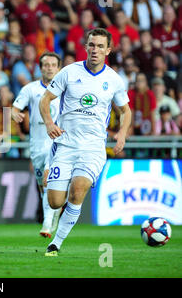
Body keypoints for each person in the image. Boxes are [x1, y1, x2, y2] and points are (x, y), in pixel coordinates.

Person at [39, 28, 131, 256]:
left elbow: (126, 111)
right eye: (91, 45)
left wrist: (122, 133)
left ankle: (55, 244)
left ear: (108, 50)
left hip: (93, 148)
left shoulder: (113, 80)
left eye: (100, 46)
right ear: (85, 46)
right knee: (54, 202)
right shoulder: (69, 72)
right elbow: (45, 99)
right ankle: (58, 196)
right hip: (65, 145)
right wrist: (50, 123)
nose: (95, 50)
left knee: (78, 190)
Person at [12, 52, 62, 238]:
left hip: (58, 142)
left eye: (53, 64)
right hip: (37, 144)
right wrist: (14, 114)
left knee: (47, 180)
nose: (49, 67)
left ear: (59, 68)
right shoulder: (30, 89)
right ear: (40, 68)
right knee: (44, 188)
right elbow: (16, 107)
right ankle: (54, 213)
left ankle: (47, 224)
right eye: (46, 65)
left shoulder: (65, 90)